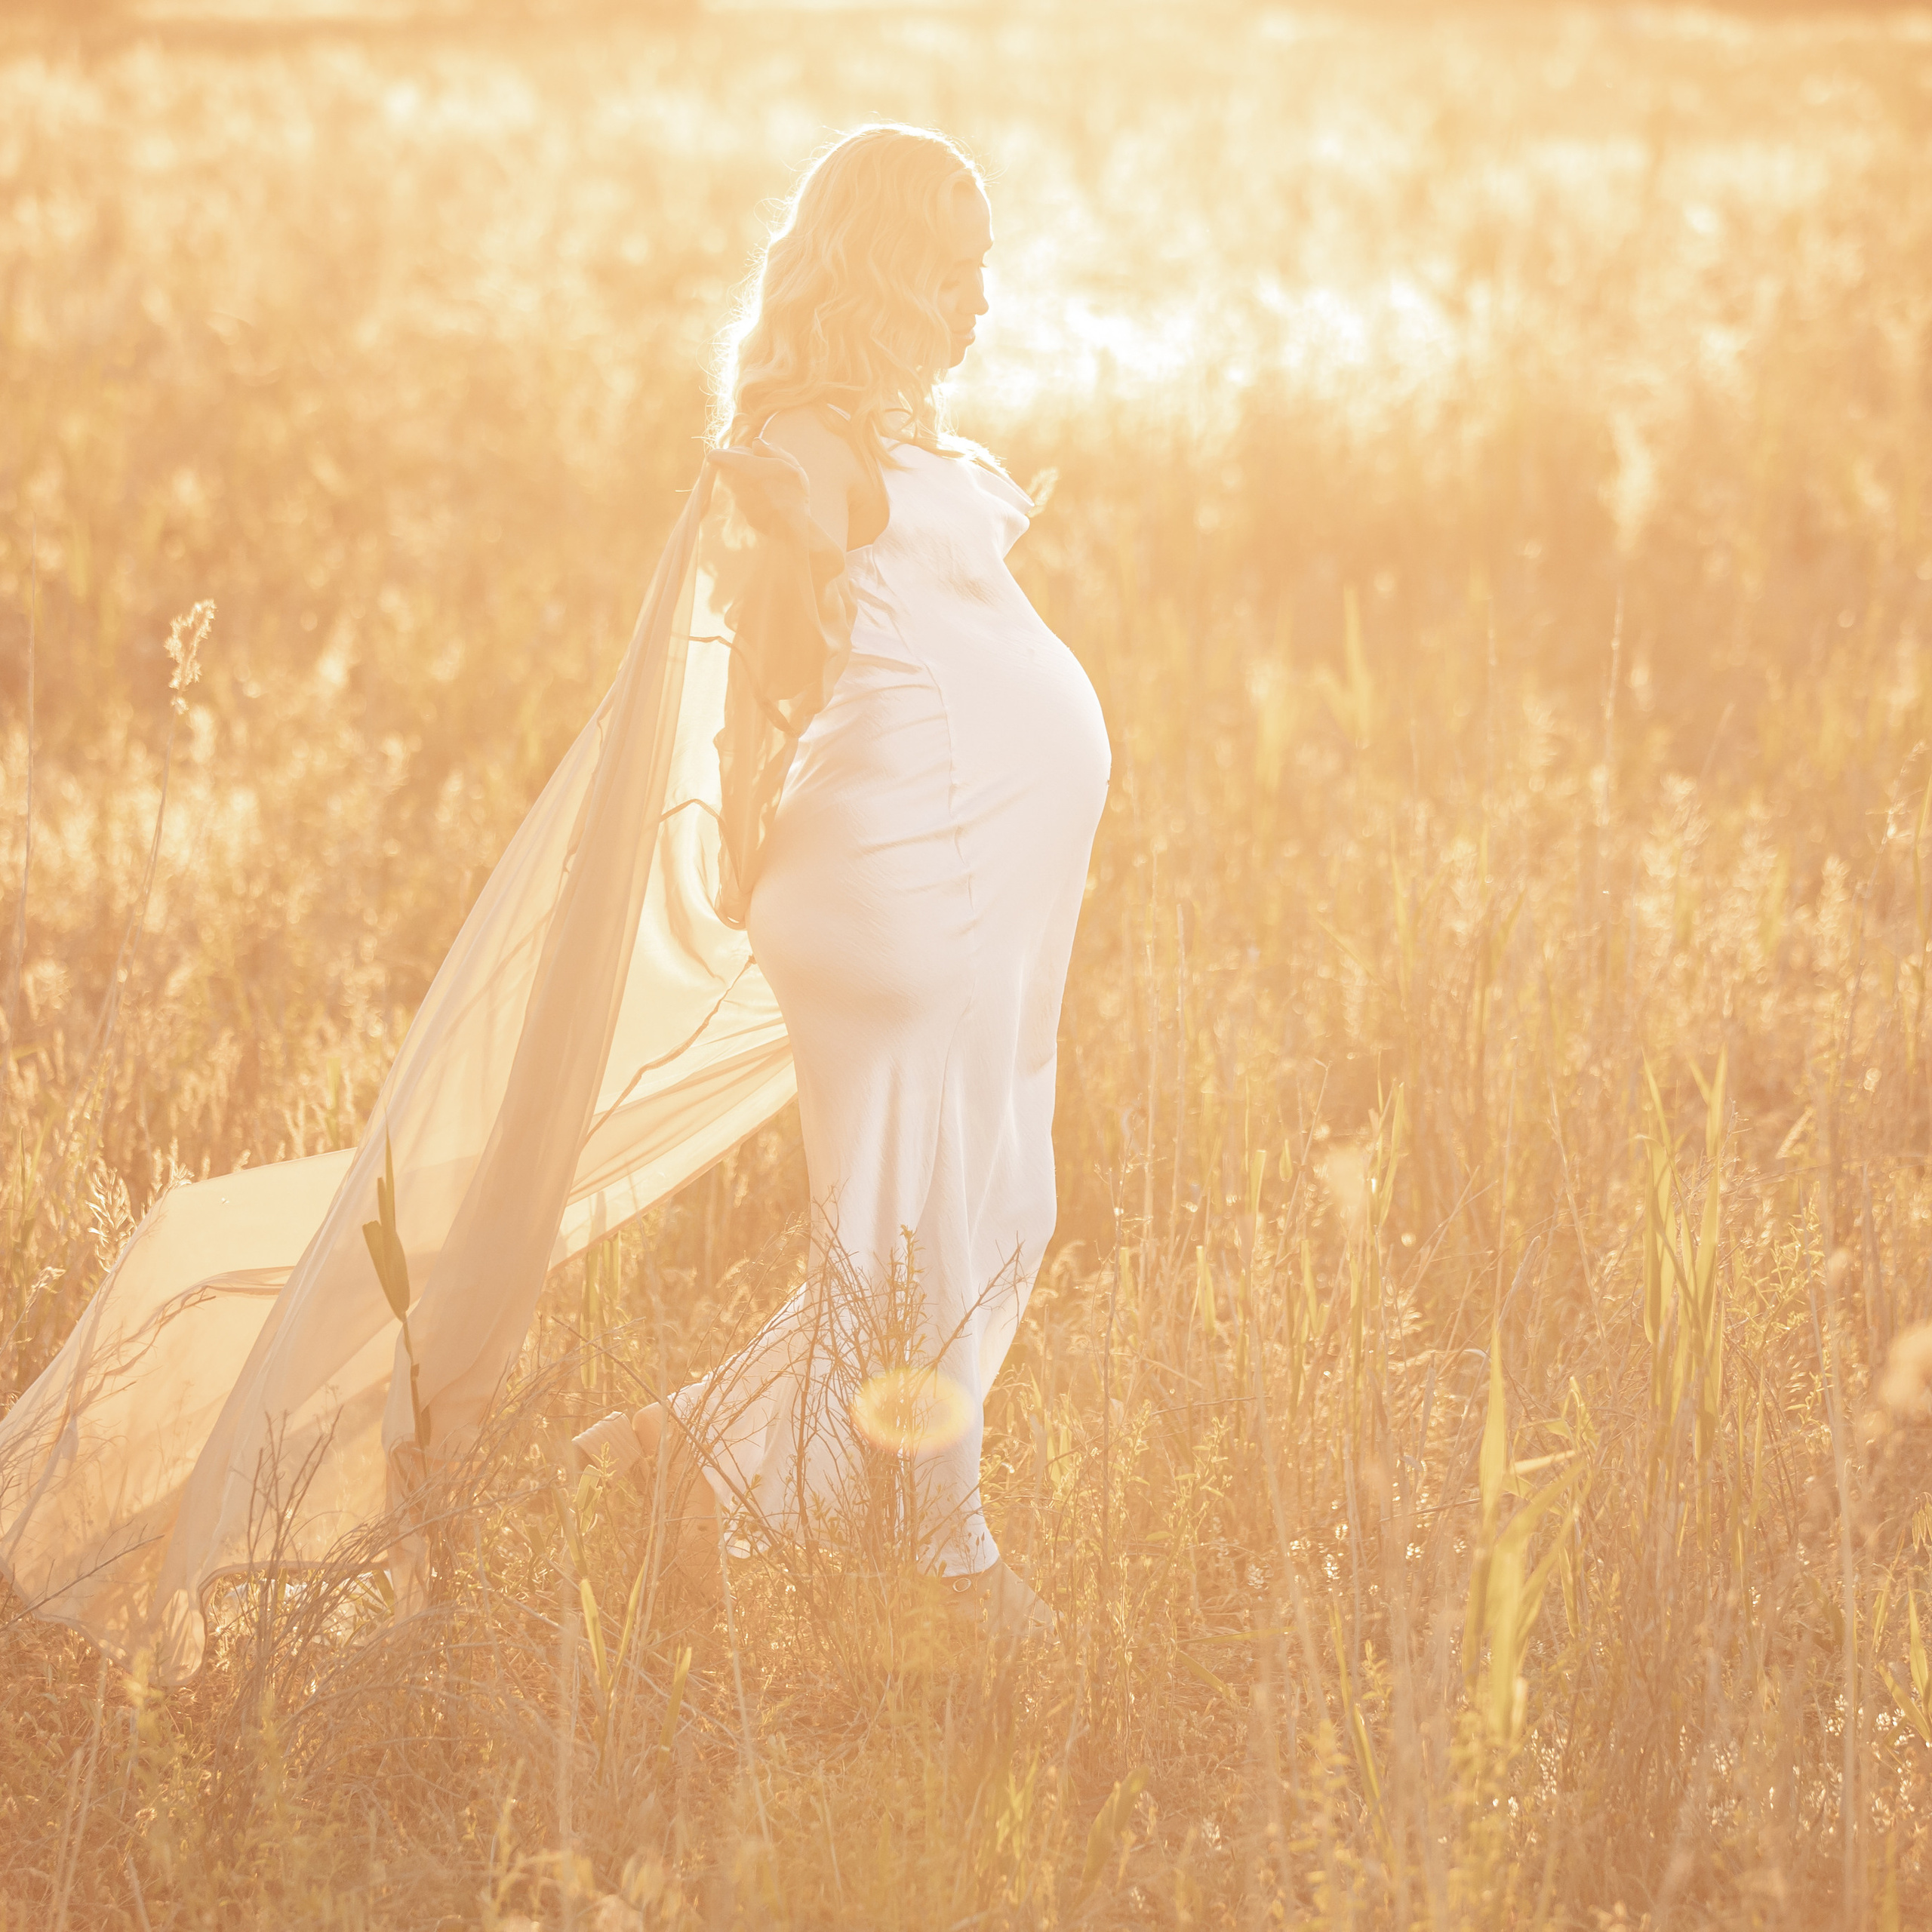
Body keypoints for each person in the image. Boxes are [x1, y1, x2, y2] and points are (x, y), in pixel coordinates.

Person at [570, 125, 1110, 1641]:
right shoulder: (809, 441)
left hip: (958, 893)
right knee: (925, 1230)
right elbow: (764, 613)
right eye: (950, 271)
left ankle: (668, 1458)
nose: (979, 303)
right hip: (900, 887)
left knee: (973, 1217)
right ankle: (945, 1566)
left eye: (984, 267)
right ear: (876, 268)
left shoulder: (884, 433)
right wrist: (782, 538)